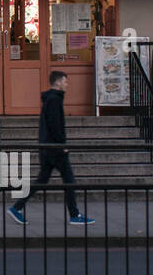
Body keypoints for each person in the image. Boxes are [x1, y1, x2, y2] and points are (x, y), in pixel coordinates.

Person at [8, 71, 96, 227]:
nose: (67, 85)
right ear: (58, 83)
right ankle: (74, 215)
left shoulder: (50, 99)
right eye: (65, 82)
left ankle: (17, 207)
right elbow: (55, 125)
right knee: (69, 180)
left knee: (42, 180)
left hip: (46, 146)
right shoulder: (55, 100)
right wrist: (63, 145)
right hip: (55, 148)